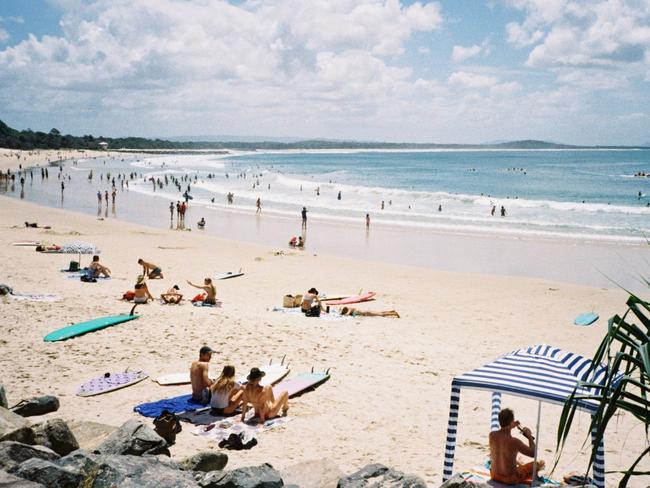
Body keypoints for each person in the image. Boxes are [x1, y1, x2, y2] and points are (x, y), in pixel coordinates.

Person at [489, 408, 544, 485]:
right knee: (540, 463)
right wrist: (529, 437)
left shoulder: (492, 435)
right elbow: (533, 454)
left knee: (511, 457)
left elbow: (504, 429)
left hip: (494, 475)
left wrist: (511, 425)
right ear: (511, 422)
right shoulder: (514, 442)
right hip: (510, 479)